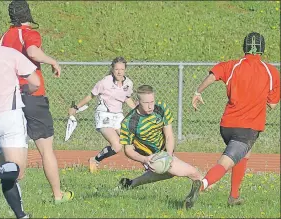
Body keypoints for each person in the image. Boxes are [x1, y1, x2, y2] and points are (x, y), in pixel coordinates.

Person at [183, 32, 280, 209]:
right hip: (248, 128)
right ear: (262, 49)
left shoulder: (232, 65)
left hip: (227, 125)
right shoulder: (271, 71)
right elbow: (272, 104)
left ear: (244, 48)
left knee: (244, 154)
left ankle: (234, 196)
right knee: (226, 162)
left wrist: (198, 92)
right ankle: (202, 184)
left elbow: (213, 75)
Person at [0, 0, 74, 204]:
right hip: (33, 96)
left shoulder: (4, 36)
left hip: (10, 98)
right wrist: (53, 61)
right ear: (28, 15)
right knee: (46, 150)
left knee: (10, 150)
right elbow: (32, 51)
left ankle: (14, 195)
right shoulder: (29, 33)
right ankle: (58, 195)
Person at [117, 85, 203, 191]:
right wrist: (145, 159)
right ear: (137, 102)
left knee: (168, 173)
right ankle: (206, 191)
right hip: (151, 157)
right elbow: (128, 150)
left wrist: (169, 156)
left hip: (165, 153)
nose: (150, 106)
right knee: (193, 173)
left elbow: (169, 135)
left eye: (152, 102)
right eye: (146, 103)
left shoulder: (161, 109)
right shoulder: (129, 122)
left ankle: (130, 184)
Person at [0, 44, 40, 219]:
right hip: (9, 116)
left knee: (6, 169)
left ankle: (21, 215)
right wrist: (24, 91)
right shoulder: (9, 53)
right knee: (14, 171)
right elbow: (35, 82)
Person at [69, 57, 136, 173]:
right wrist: (76, 107)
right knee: (117, 145)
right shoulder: (105, 82)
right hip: (104, 116)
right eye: (117, 69)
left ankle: (148, 166)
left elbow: (127, 99)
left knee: (132, 141)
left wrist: (138, 111)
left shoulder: (128, 83)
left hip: (118, 117)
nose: (119, 72)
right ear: (112, 69)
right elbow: (90, 96)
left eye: (122, 69)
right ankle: (95, 160)